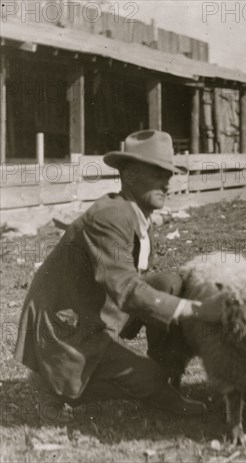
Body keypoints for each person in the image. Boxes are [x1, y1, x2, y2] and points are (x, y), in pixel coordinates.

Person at [14, 130, 228, 421]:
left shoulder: (137, 215)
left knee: (169, 283)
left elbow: (134, 280)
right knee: (149, 377)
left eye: (169, 175)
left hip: (97, 309)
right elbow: (126, 290)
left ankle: (161, 381)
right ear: (129, 175)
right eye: (157, 174)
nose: (167, 182)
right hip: (66, 325)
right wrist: (198, 309)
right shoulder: (111, 215)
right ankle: (52, 384)